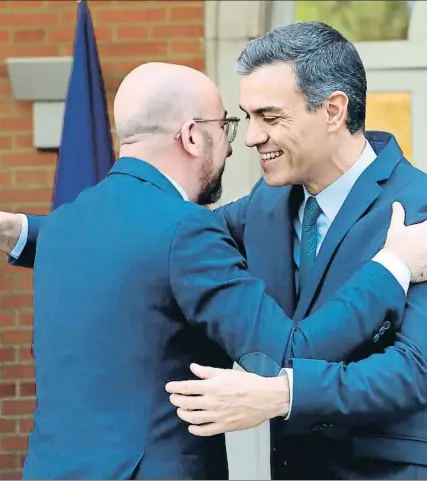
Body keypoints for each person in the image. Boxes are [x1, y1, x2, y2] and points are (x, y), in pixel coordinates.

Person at [0, 62, 427, 479]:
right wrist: (394, 265)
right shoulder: (186, 230)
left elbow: (122, 243)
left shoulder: (71, 223)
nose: (240, 142)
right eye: (228, 125)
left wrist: (11, 229)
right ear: (191, 136)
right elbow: (291, 353)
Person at [166, 22, 427, 480]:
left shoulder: (420, 205)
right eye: (248, 118)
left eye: (270, 117)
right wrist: (27, 232)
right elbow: (170, 240)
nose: (250, 137)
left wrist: (283, 394)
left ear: (333, 110)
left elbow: (414, 370)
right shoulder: (264, 204)